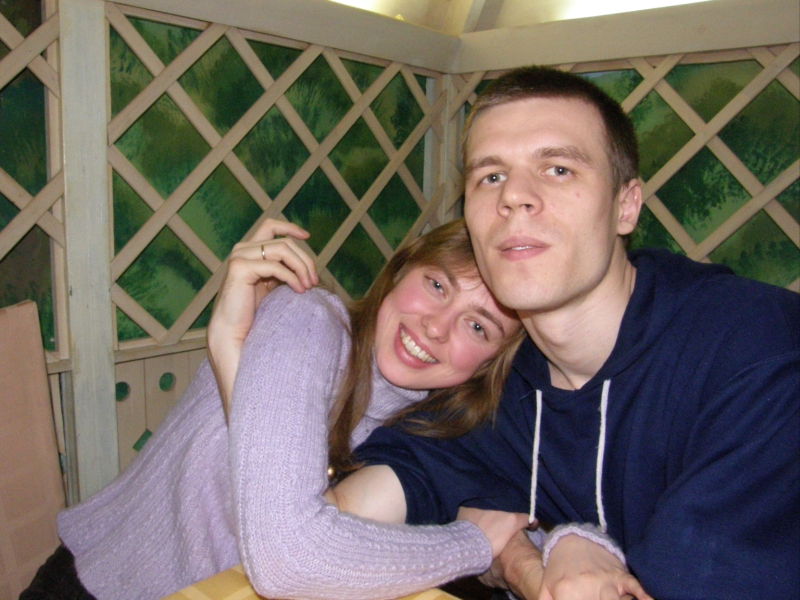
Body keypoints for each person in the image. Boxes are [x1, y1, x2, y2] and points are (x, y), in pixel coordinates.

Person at [346, 66, 800, 599]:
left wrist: (544, 550)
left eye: (558, 169)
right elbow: (337, 519)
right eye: (490, 176)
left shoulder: (751, 350)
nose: (515, 196)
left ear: (625, 207)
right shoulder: (501, 383)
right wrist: (526, 557)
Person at [22, 218, 531, 600]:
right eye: (437, 285)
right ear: (399, 272)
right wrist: (469, 545)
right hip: (98, 587)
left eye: (477, 326)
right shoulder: (309, 320)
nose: (436, 327)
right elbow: (287, 553)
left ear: (492, 364)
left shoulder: (428, 435)